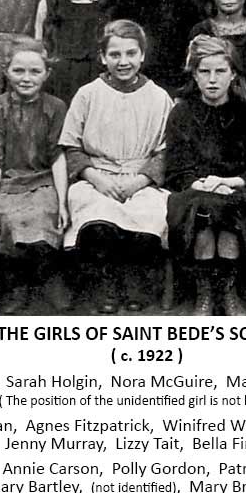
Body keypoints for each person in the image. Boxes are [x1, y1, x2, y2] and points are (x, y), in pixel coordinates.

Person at [59, 20, 173, 314]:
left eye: (131, 54)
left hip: (140, 179)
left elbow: (166, 149)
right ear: (102, 57)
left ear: (142, 55)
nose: (123, 62)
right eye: (115, 55)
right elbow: (71, 145)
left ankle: (133, 279)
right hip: (97, 176)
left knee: (148, 216)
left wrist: (141, 180)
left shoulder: (158, 97)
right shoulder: (88, 94)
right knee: (98, 219)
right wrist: (95, 177)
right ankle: (107, 281)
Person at [165, 36, 246, 316]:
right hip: (195, 190)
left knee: (233, 208)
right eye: (204, 71)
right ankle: (205, 292)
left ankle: (228, 290)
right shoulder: (182, 113)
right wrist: (204, 184)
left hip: (236, 189)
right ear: (194, 75)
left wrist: (228, 183)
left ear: (232, 74)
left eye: (220, 71)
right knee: (204, 209)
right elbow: (176, 167)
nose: (212, 79)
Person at [0, 39, 69, 314]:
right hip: (9, 182)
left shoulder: (55, 107)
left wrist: (63, 201)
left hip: (43, 179)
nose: (26, 78)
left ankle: (48, 279)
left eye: (35, 71)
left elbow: (57, 156)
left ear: (47, 73)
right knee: (10, 220)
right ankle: (18, 284)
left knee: (46, 216)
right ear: (6, 71)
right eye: (18, 71)